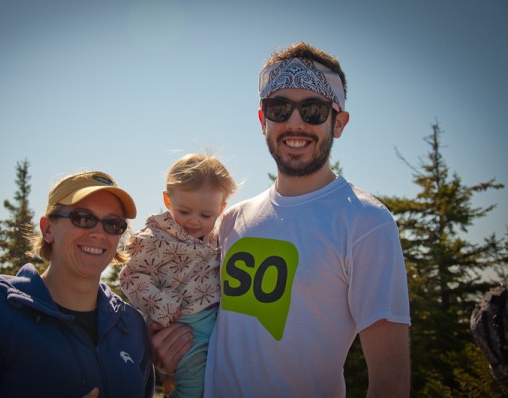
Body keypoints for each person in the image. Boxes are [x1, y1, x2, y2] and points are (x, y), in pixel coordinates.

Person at [149, 42, 411, 397]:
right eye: (280, 108)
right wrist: (165, 357)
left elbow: (390, 382)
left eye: (314, 110)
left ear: (339, 122)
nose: (295, 123)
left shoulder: (366, 223)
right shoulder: (230, 221)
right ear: (263, 120)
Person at [0, 171, 154, 398]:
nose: (98, 233)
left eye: (113, 224)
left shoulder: (131, 326)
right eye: (83, 218)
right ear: (47, 229)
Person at [119, 154, 237, 397]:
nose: (194, 221)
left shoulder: (218, 235)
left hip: (219, 323)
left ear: (221, 208)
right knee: (193, 389)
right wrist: (162, 305)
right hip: (184, 326)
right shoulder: (154, 238)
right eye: (184, 211)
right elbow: (131, 276)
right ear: (167, 200)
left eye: (206, 215)